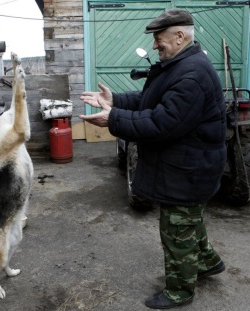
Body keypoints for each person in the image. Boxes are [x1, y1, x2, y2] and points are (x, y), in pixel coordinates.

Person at [79, 9, 226, 309]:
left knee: (176, 229)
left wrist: (113, 119)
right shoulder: (179, 66)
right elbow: (152, 100)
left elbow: (162, 123)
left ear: (180, 37)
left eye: (159, 40)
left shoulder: (192, 75)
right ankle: (209, 262)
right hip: (189, 167)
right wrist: (115, 101)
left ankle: (180, 291)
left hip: (188, 170)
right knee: (189, 221)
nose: (156, 45)